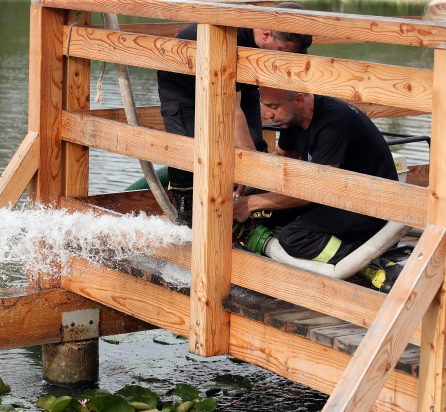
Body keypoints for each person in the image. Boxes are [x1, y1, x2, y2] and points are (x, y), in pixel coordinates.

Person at [157, 2, 313, 227]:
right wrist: (245, 166)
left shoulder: (284, 37)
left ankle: (247, 214)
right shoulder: (232, 32)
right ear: (266, 34)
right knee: (187, 152)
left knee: (255, 144)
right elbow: (230, 108)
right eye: (284, 53)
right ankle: (187, 217)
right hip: (183, 83)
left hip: (239, 78)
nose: (284, 59)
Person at [232, 86, 403, 292]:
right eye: (264, 106)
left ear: (299, 99)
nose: (267, 114)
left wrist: (251, 204)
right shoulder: (292, 119)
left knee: (294, 238)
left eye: (273, 107)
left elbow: (315, 191)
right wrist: (248, 177)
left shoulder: (334, 123)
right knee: (258, 205)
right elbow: (283, 158)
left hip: (369, 205)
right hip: (334, 195)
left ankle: (370, 263)